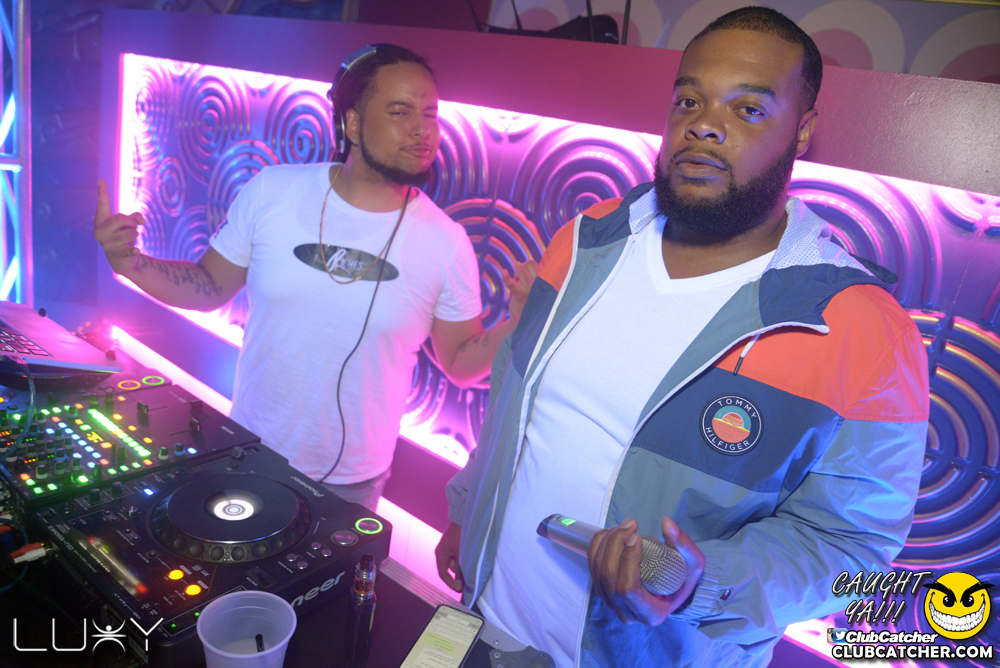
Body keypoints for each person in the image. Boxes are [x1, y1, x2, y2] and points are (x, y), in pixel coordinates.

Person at [436, 7, 928, 667]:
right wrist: (466, 511)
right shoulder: (587, 237)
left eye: (748, 109)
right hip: (485, 621)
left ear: (803, 129)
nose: (703, 124)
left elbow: (851, 546)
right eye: (689, 100)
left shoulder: (865, 329)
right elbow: (514, 404)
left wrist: (700, 581)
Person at [93, 44, 535, 510]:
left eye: (430, 114)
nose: (422, 130)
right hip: (246, 452)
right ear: (352, 125)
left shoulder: (447, 242)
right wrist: (130, 262)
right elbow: (209, 287)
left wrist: (518, 322)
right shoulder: (273, 191)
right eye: (400, 111)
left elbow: (461, 363)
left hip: (353, 484)